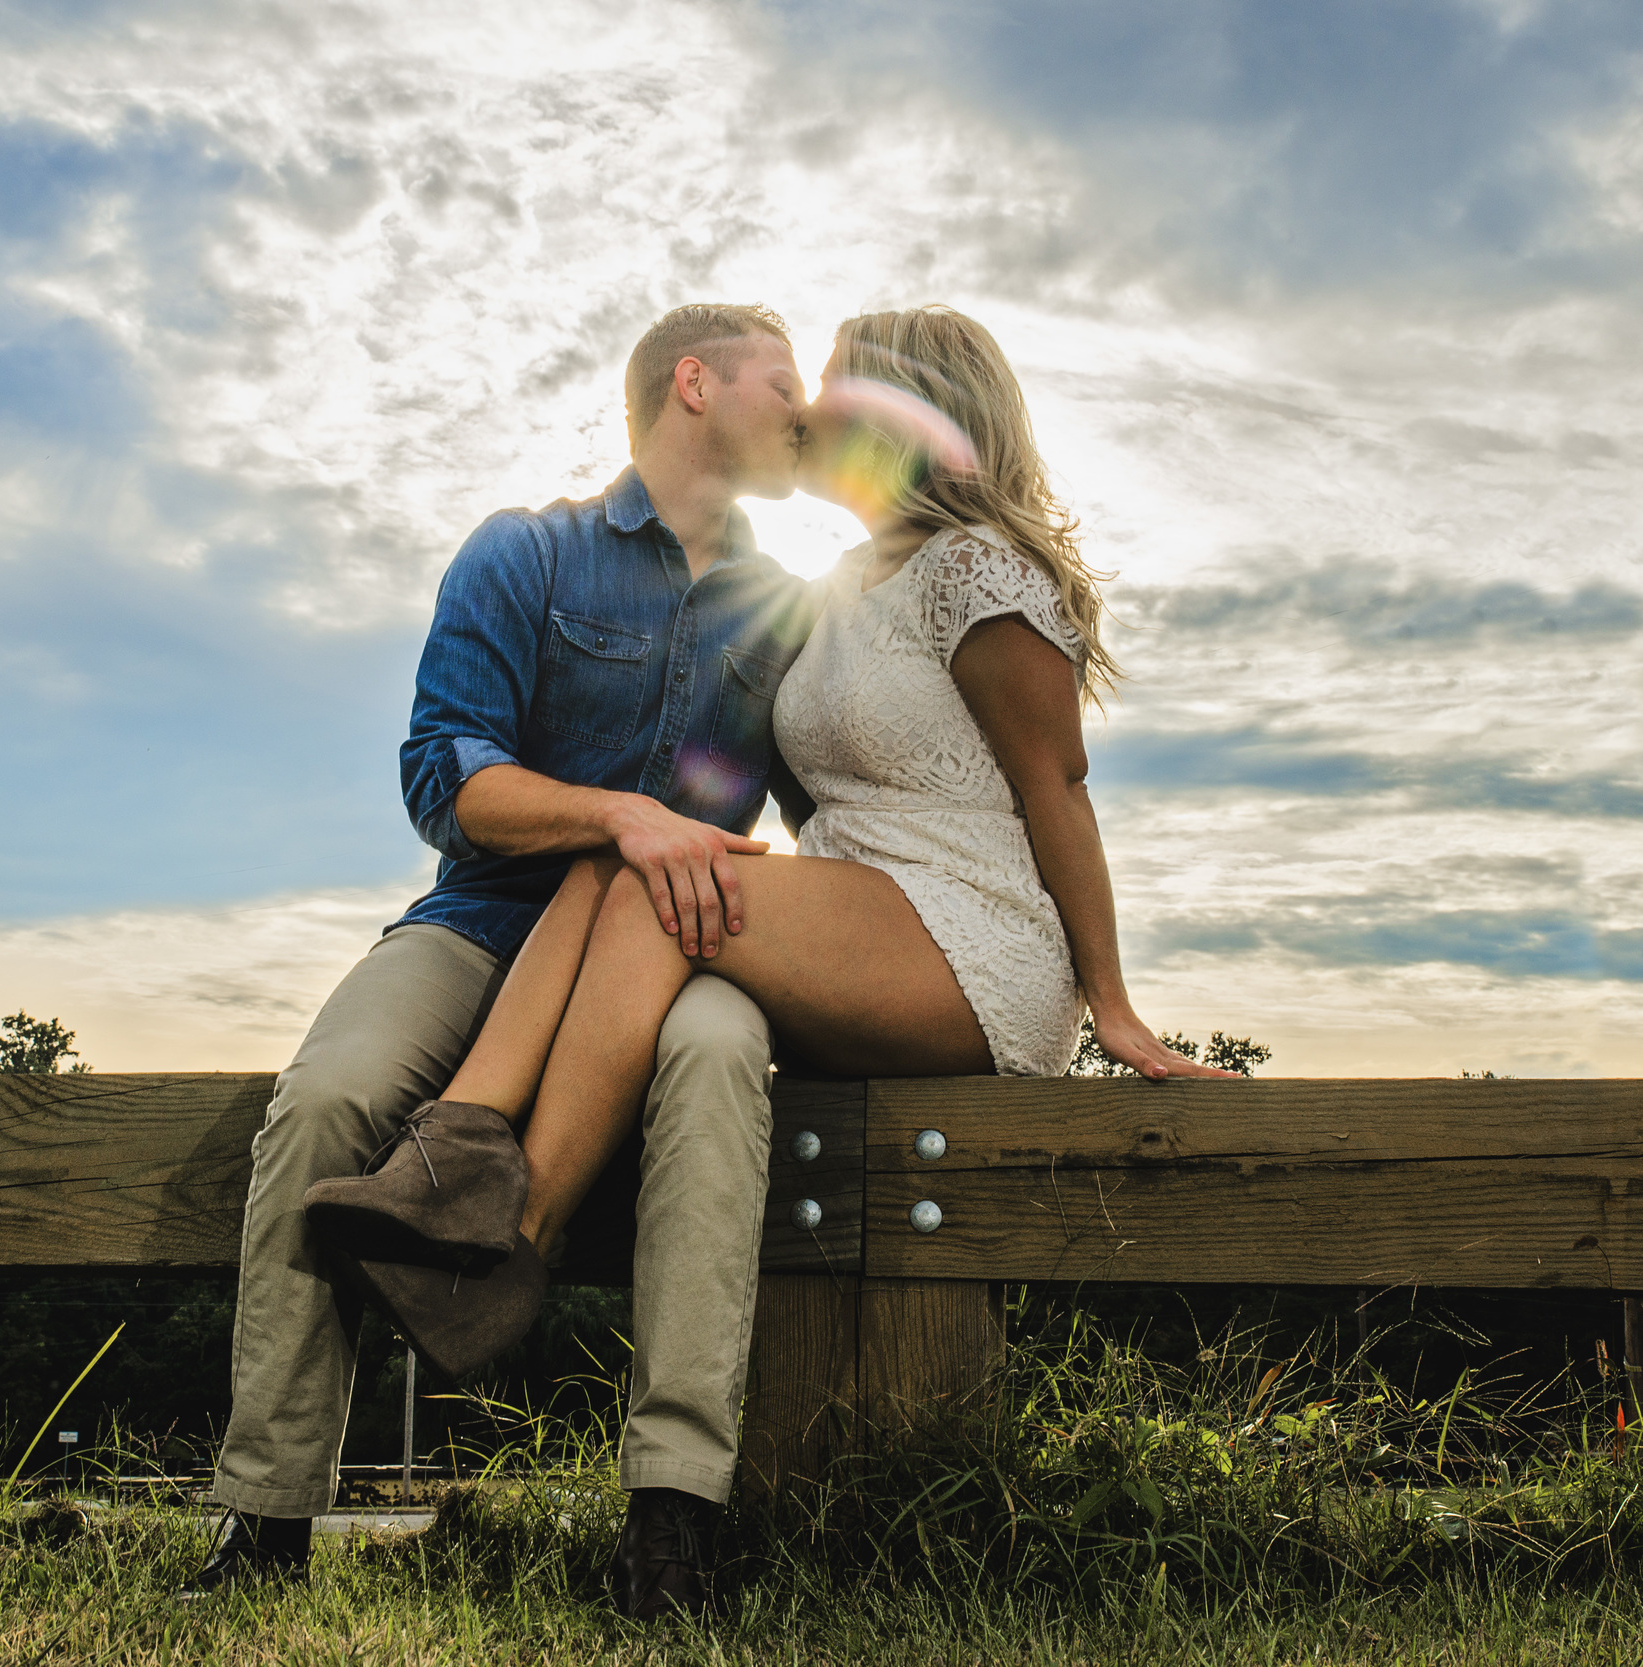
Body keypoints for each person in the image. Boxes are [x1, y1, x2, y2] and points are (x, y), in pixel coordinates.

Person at [302, 305, 1238, 1611]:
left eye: (836, 384)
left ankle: (513, 1227)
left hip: (964, 929)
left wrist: (1114, 1010)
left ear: (915, 414)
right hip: (863, 910)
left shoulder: (979, 571)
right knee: (619, 856)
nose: (809, 411)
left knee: (652, 868)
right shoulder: (832, 589)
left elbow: (1057, 789)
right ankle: (455, 1159)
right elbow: (791, 795)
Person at [191, 303, 821, 1617]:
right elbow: (443, 776)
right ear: (692, 383)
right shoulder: (526, 554)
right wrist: (618, 816)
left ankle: (671, 1530)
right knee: (322, 1100)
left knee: (717, 1066)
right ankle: (265, 1519)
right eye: (783, 378)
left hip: (681, 959)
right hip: (484, 922)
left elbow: (838, 810)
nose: (805, 408)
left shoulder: (793, 611)